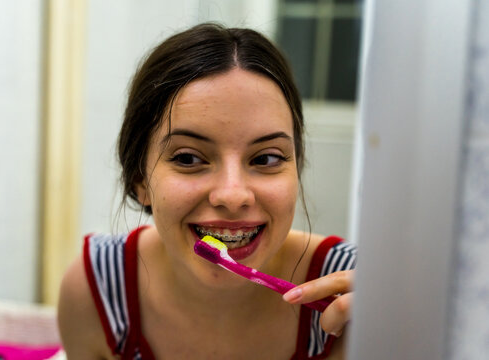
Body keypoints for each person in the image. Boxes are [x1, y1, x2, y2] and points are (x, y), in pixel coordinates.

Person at [57, 23, 356, 360]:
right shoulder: (96, 290)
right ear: (140, 180)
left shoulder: (356, 300)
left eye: (266, 158)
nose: (232, 195)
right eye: (188, 158)